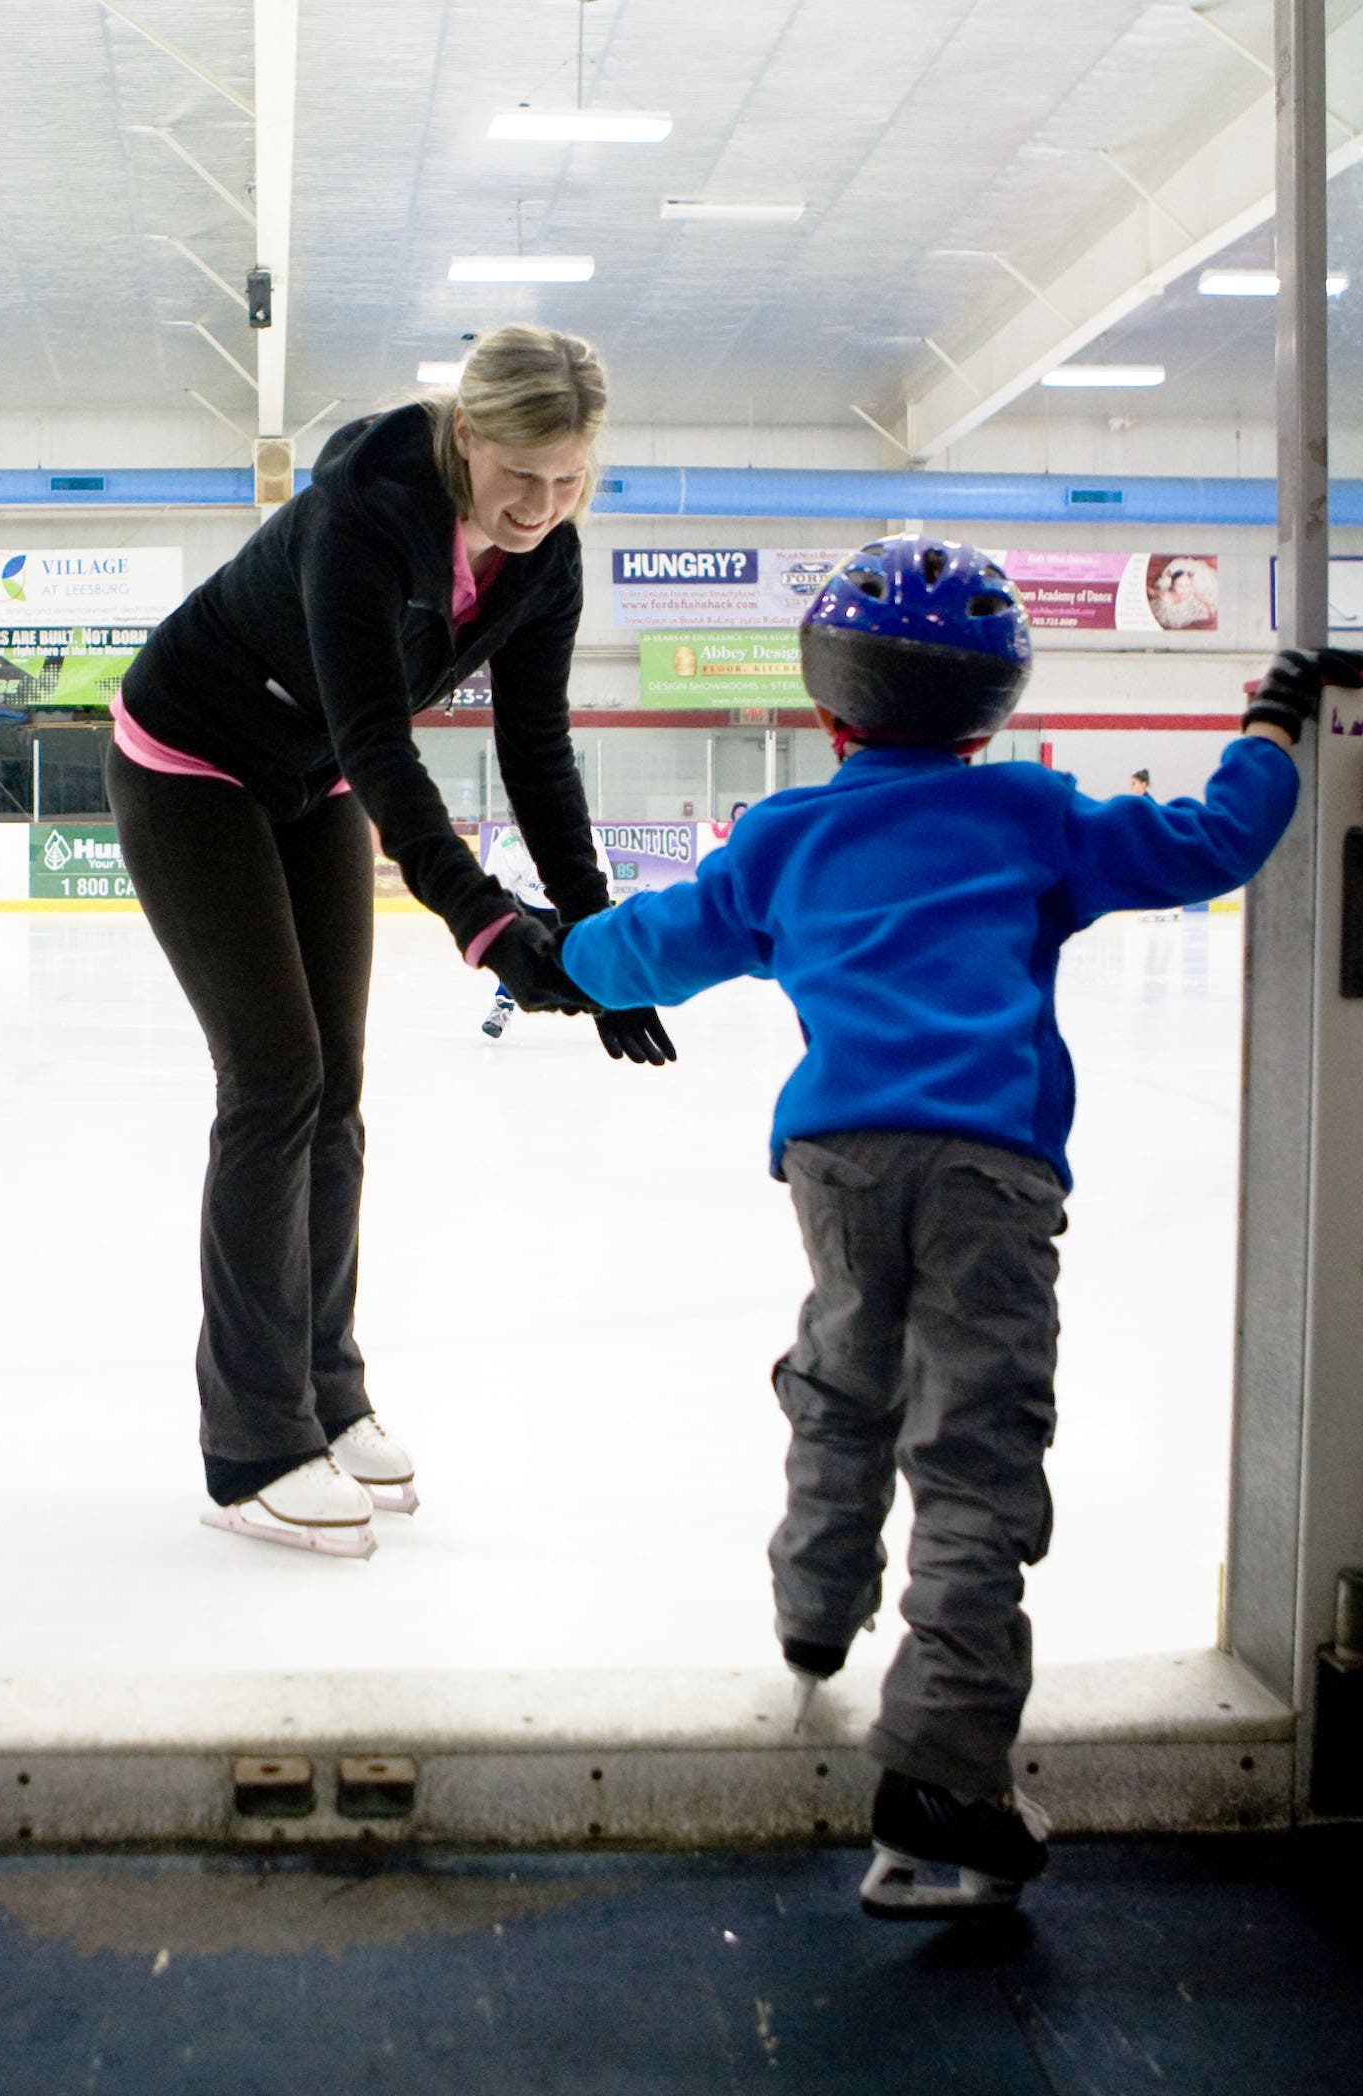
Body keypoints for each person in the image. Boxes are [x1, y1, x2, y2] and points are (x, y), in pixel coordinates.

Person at [554, 531, 1360, 1919]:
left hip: (837, 1160)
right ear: (997, 704)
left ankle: (815, 1613)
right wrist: (1273, 725)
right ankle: (938, 1786)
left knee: (846, 1372)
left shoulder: (786, 835)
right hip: (990, 1171)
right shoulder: (1034, 817)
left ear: (826, 706)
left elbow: (656, 947)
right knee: (977, 1456)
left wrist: (554, 951)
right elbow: (1215, 841)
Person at [105, 324, 675, 1561]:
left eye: (571, 478)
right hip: (190, 759)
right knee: (274, 1077)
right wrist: (484, 923)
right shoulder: (364, 516)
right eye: (522, 474)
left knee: (340, 1087)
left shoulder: (546, 557)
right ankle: (254, 1443)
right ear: (466, 434)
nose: (541, 506)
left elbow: (536, 749)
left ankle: (327, 1387)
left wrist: (595, 937)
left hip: (309, 779)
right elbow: (384, 744)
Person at [479, 820, 614, 1038]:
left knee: (585, 959)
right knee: (516, 959)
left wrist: (601, 910)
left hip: (568, 905)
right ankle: (503, 1005)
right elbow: (496, 883)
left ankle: (609, 1008)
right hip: (525, 907)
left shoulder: (583, 834)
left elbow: (602, 874)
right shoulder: (509, 842)